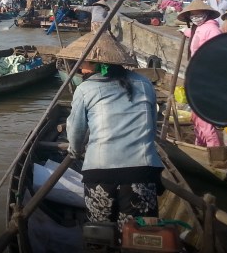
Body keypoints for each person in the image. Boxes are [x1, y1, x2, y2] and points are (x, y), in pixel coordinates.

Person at [61, 31, 164, 229]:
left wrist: (75, 152)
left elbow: (75, 131)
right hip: (141, 171)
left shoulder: (85, 89)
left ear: (97, 63)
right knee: (138, 235)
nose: (80, 68)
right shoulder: (144, 83)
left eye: (84, 63)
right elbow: (151, 128)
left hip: (99, 172)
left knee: (100, 233)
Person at [177, 0, 223, 147]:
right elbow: (196, 36)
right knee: (196, 115)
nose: (195, 18)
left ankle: (213, 147)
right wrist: (185, 31)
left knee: (202, 115)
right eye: (193, 15)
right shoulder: (199, 28)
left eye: (198, 14)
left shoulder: (212, 29)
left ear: (206, 14)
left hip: (207, 77)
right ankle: (200, 144)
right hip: (197, 75)